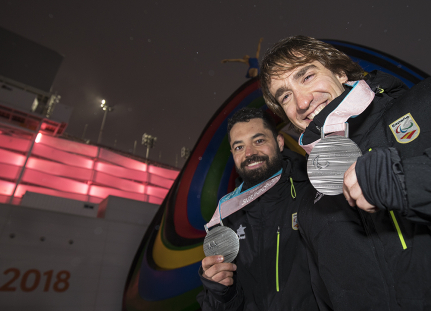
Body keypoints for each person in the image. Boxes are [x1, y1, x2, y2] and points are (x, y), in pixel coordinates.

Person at [260, 35, 431, 310]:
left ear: (340, 73)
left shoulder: (423, 105)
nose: (302, 102)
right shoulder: (308, 205)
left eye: (306, 77)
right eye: (286, 96)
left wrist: (404, 180)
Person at [196, 107, 319, 310]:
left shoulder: (313, 193)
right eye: (239, 147)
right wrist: (222, 293)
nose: (250, 153)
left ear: (279, 143)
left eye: (259, 141)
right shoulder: (225, 215)